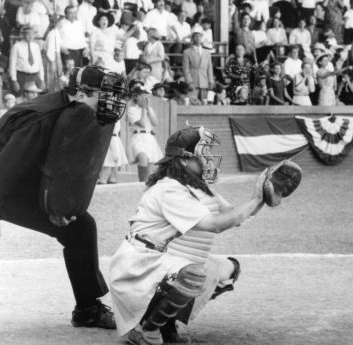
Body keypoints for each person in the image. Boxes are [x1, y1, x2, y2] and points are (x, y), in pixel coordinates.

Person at [0, 66, 128, 342]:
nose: (111, 103)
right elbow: (8, 165)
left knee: (81, 227)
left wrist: (60, 206)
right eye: (104, 95)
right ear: (82, 94)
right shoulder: (41, 116)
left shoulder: (77, 111)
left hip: (7, 186)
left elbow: (58, 168)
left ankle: (87, 308)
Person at [109, 125, 266, 345]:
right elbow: (215, 224)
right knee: (192, 274)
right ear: (183, 159)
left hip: (158, 260)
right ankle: (146, 327)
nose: (209, 158)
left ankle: (169, 322)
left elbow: (233, 216)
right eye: (204, 152)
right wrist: (256, 200)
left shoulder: (197, 185)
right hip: (137, 267)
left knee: (229, 268)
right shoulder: (170, 189)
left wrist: (261, 198)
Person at [127, 81, 164, 182]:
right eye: (141, 96)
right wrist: (143, 109)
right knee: (142, 158)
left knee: (149, 165)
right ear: (136, 96)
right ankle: (141, 183)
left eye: (145, 96)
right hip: (138, 137)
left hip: (149, 138)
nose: (144, 98)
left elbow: (155, 122)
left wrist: (147, 108)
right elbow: (142, 124)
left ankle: (147, 183)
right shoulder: (132, 110)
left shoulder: (149, 108)